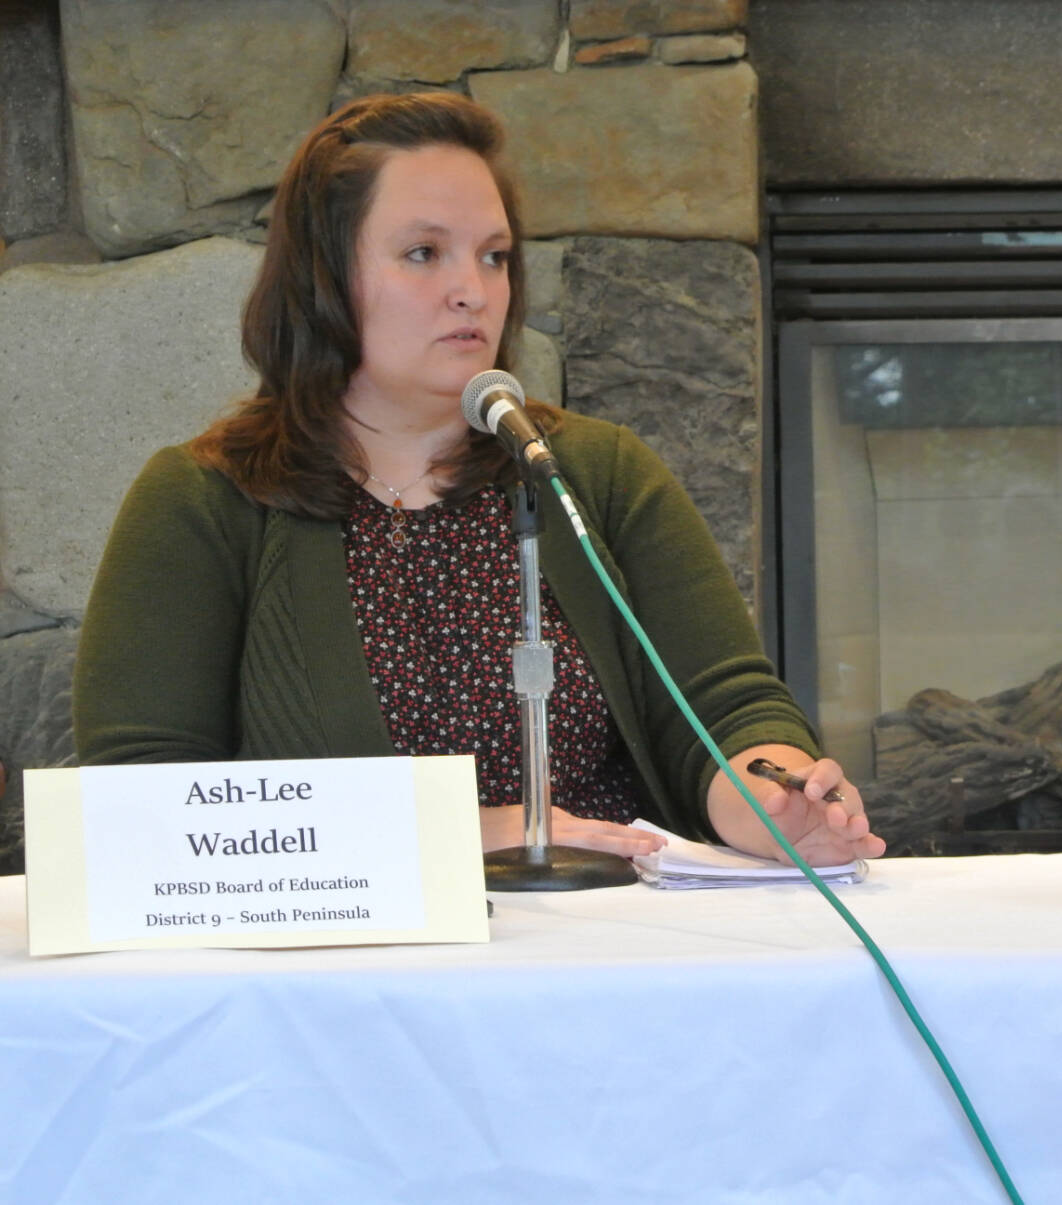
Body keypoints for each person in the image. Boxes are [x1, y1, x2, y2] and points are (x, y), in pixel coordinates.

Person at [74, 92, 885, 867]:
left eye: (494, 256)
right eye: (424, 253)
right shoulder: (203, 500)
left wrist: (774, 798)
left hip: (605, 942)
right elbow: (140, 802)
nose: (475, 289)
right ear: (323, 276)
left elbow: (724, 705)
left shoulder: (589, 474)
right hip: (337, 985)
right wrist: (455, 838)